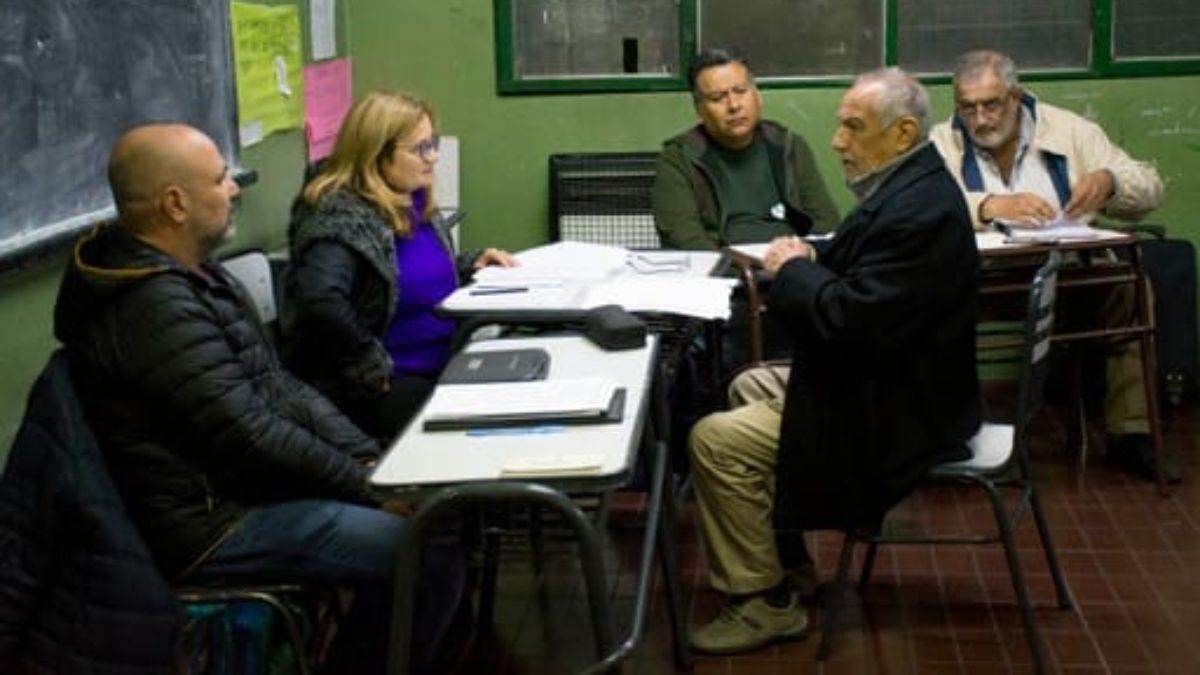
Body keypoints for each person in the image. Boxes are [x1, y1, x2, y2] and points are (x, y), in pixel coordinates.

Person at [52, 123, 462, 673]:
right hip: (215, 526)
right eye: (221, 179)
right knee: (426, 551)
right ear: (175, 204)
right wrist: (369, 488)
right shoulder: (152, 306)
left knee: (430, 529)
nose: (235, 188)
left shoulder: (192, 275)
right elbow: (251, 432)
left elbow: (279, 388)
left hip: (246, 491)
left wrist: (368, 459)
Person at [686, 68, 981, 655]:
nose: (837, 141)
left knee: (714, 440)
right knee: (748, 384)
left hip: (902, 414)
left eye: (851, 127)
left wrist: (794, 268)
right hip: (898, 381)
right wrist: (807, 259)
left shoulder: (915, 211)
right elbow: (861, 283)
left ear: (901, 134)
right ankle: (787, 568)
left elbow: (850, 319)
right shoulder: (908, 187)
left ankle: (760, 604)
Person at [929, 49, 1174, 482]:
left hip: (1068, 275)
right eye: (968, 108)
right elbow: (921, 209)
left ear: (1015, 96)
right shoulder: (942, 142)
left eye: (991, 104)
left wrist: (1110, 183)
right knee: (919, 300)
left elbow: (1150, 188)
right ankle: (949, 438)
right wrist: (987, 205)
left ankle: (1131, 434)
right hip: (980, 282)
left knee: (1130, 289)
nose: (981, 119)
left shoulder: (1070, 131)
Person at [283, 91, 516, 441]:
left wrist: (469, 265)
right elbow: (321, 302)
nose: (433, 157)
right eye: (420, 148)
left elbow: (399, 274)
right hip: (383, 386)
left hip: (443, 360)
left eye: (432, 143)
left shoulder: (411, 198)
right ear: (377, 154)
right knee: (493, 427)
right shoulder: (338, 215)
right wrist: (368, 364)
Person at [652, 47, 840, 250]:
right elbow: (686, 242)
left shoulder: (787, 145)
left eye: (740, 91)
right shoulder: (679, 159)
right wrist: (743, 268)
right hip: (722, 274)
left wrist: (803, 257)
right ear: (699, 110)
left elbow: (826, 225)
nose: (733, 105)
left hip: (792, 267)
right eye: (717, 98)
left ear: (757, 96)